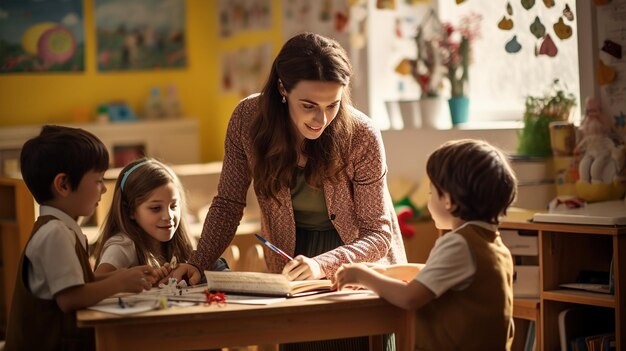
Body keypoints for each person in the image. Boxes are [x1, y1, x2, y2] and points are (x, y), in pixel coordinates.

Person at [170, 32, 406, 350]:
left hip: (355, 269)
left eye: (332, 105)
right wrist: (198, 261)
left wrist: (323, 264)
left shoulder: (361, 134)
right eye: (308, 105)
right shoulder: (247, 120)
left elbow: (378, 236)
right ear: (282, 88)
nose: (321, 118)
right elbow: (228, 203)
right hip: (292, 266)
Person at [335, 139, 518, 350]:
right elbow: (435, 273)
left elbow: (410, 297)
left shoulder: (459, 243)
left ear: (448, 200)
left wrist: (362, 276)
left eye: (431, 193)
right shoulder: (493, 245)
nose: (430, 200)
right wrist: (385, 272)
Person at [5, 125, 156, 351]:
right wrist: (120, 283)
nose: (104, 190)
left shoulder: (60, 229)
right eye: (98, 180)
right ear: (63, 184)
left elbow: (78, 285)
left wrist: (123, 275)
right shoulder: (55, 233)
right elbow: (71, 298)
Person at [93, 158, 200, 283]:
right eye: (155, 208)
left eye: (173, 206)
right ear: (130, 211)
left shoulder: (179, 243)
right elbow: (96, 284)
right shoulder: (122, 245)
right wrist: (140, 282)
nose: (168, 216)